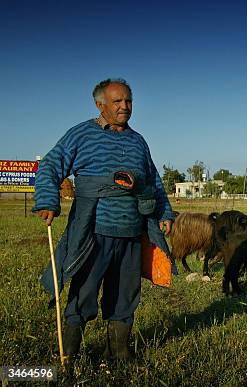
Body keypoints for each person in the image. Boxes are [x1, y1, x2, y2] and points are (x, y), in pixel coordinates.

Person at [33, 78, 175, 363]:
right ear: (100, 105)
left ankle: (119, 355)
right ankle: (70, 357)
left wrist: (165, 213)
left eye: (129, 101)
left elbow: (154, 181)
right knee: (83, 294)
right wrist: (48, 200)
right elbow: (50, 165)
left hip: (132, 232)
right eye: (117, 101)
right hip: (94, 232)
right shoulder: (81, 135)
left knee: (125, 296)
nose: (125, 107)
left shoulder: (138, 141)